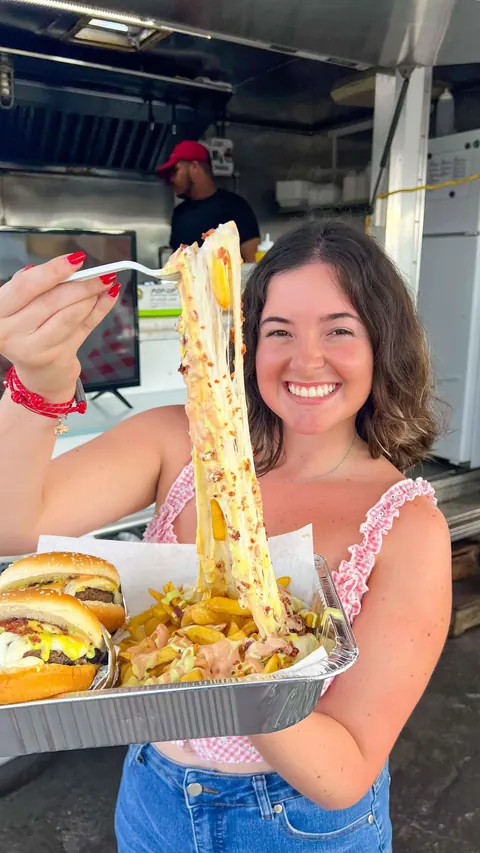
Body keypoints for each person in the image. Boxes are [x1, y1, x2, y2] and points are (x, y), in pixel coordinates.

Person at [0, 222, 451, 853]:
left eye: (339, 329)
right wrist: (41, 381)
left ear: (383, 344)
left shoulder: (406, 526)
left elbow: (343, 772)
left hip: (298, 826)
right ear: (244, 342)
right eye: (279, 332)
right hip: (153, 795)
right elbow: (12, 522)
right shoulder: (178, 442)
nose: (307, 359)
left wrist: (221, 661)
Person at [157, 139, 260, 262]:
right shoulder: (180, 214)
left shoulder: (235, 207)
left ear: (194, 167)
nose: (172, 179)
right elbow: (177, 264)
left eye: (175, 171)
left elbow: (253, 263)